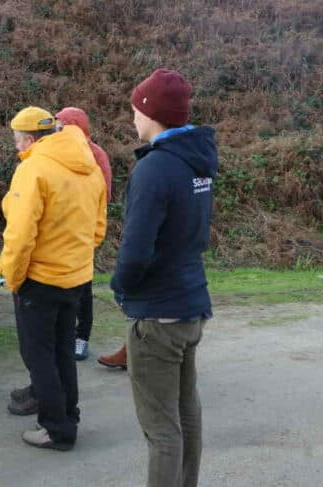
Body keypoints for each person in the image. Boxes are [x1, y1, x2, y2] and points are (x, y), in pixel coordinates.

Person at [112, 69, 217, 486]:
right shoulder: (197, 159)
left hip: (158, 315)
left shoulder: (154, 169)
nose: (132, 120)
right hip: (191, 305)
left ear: (149, 112)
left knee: (161, 429)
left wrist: (121, 287)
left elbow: (136, 251)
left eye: (135, 110)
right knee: (186, 413)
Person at [0, 106, 106, 451]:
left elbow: (20, 235)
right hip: (76, 278)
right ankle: (68, 417)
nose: (17, 148)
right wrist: (74, 259)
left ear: (29, 138)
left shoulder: (33, 170)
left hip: (39, 280)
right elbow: (98, 228)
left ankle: (55, 429)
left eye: (17, 141)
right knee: (62, 351)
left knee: (40, 355)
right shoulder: (89, 165)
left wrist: (13, 278)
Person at [55, 107, 112, 361]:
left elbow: (104, 195)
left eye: (62, 124)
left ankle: (82, 336)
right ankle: (66, 334)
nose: (57, 129)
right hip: (61, 232)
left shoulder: (97, 155)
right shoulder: (57, 150)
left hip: (84, 232)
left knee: (83, 286)